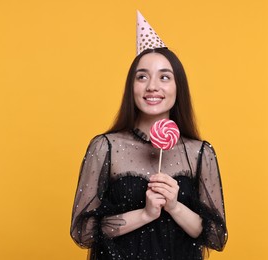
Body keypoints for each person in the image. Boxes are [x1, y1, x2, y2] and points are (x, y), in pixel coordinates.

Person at [70, 12, 228, 260]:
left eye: (164, 77)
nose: (152, 86)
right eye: (142, 76)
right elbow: (85, 232)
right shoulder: (106, 147)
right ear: (131, 87)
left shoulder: (200, 153)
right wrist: (145, 214)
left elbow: (215, 236)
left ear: (178, 88)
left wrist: (174, 206)